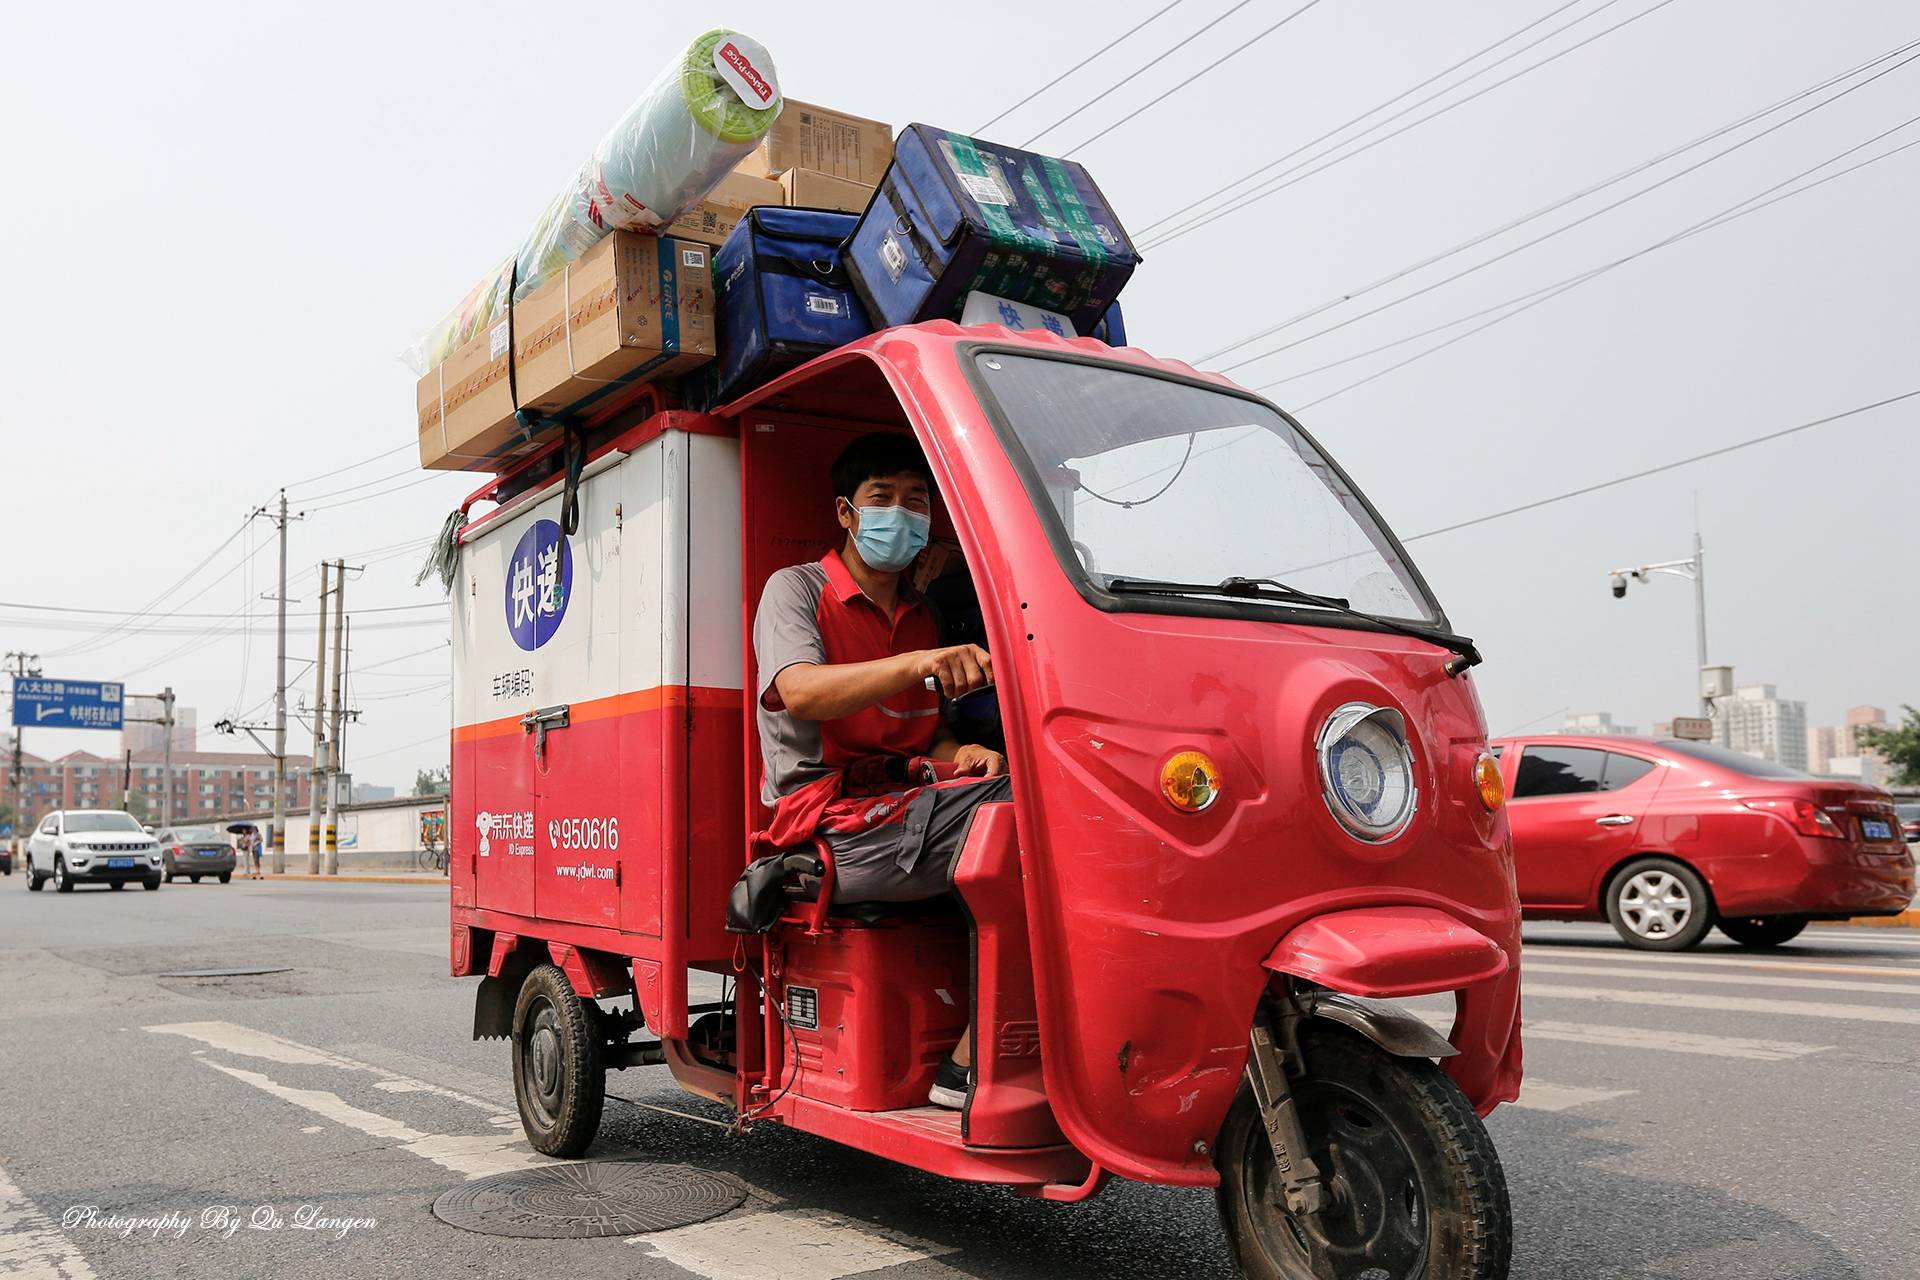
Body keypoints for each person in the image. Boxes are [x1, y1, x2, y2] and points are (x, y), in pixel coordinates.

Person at [753, 433, 1008, 1109]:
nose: (901, 513)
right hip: (829, 829)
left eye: (915, 501)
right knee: (1019, 812)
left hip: (902, 810)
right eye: (882, 498)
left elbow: (937, 735)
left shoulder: (922, 618)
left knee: (1021, 787)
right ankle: (968, 1062)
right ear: (846, 512)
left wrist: (969, 758)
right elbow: (802, 690)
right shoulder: (796, 591)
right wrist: (919, 663)